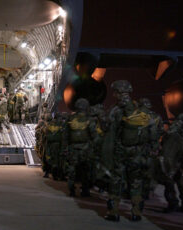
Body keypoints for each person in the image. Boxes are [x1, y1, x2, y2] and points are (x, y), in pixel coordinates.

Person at [102, 80, 153, 222]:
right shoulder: (139, 108)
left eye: (115, 92)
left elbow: (106, 126)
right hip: (137, 152)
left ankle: (113, 212)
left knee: (116, 180)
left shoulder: (116, 109)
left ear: (118, 93)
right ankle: (136, 212)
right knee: (136, 181)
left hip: (120, 151)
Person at [64, 98, 99, 197]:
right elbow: (94, 135)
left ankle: (71, 190)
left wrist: (65, 148)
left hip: (73, 148)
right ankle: (85, 190)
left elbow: (65, 135)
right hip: (86, 149)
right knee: (85, 170)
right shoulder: (89, 119)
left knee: (72, 170)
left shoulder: (70, 119)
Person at [43, 114, 66, 180]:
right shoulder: (61, 125)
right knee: (60, 161)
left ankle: (51, 174)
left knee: (51, 159)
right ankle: (59, 175)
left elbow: (45, 134)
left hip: (50, 144)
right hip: (59, 145)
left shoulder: (49, 125)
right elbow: (64, 135)